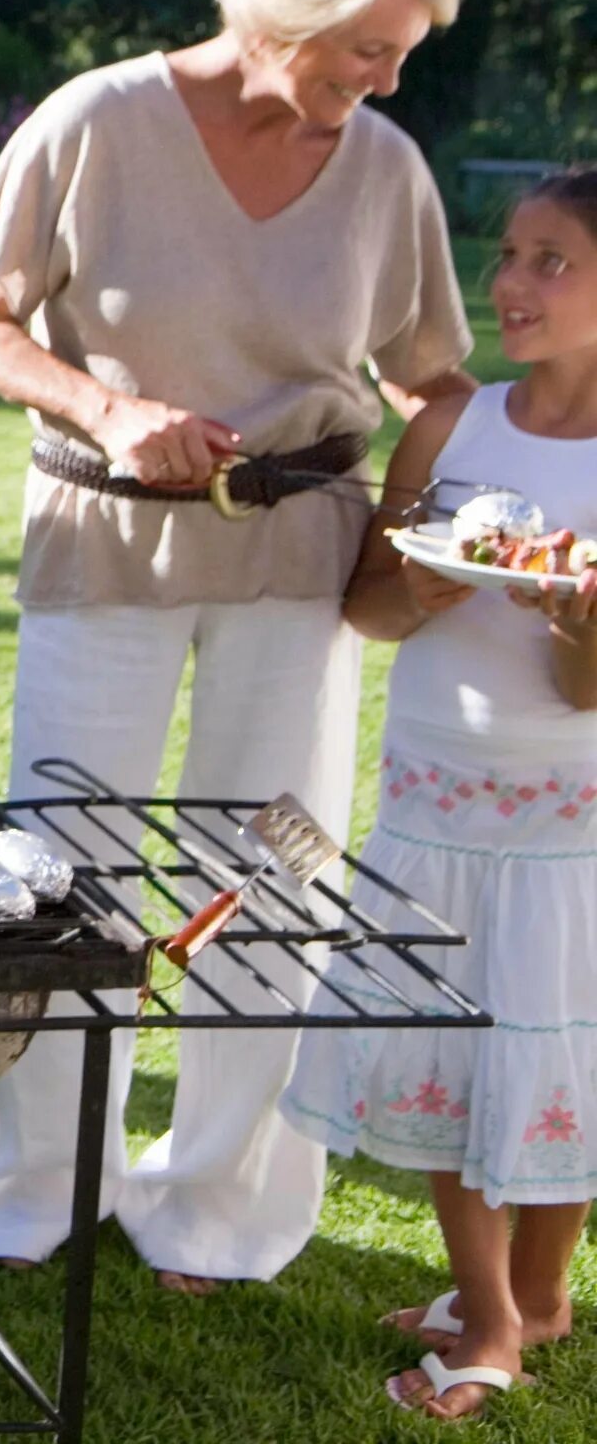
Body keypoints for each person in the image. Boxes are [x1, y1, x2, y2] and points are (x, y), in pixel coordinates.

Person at [0, 0, 479, 1291]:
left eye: (403, 56)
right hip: (104, 541)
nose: (384, 80)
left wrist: (454, 523)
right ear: (285, 8)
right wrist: (114, 412)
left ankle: (222, 1204)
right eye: (368, 47)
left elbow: (436, 382)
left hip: (297, 572)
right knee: (67, 871)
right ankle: (32, 1183)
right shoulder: (98, 122)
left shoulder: (388, 173)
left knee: (278, 878)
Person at [283, 170, 597, 1419]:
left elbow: (588, 692)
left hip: (567, 814)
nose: (509, 284)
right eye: (509, 254)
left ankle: (541, 1292)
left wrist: (576, 619)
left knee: (556, 1050)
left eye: (551, 261)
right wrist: (421, 593)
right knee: (456, 1047)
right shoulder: (451, 428)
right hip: (435, 801)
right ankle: (493, 1306)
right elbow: (366, 603)